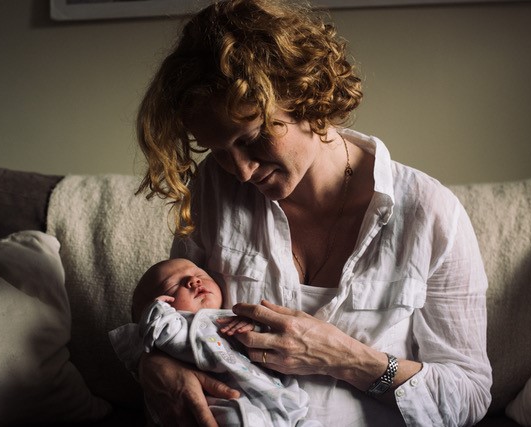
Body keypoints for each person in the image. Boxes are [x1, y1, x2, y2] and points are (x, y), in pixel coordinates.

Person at [133, 0, 492, 426]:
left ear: (305, 97)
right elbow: (171, 319)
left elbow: (468, 395)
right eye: (219, 150)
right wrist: (151, 365)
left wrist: (345, 359)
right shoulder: (214, 187)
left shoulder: (430, 214)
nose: (242, 171)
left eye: (252, 139)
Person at [109, 258, 320, 427]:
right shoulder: (178, 327)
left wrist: (252, 326)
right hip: (229, 404)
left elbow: (271, 343)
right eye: (172, 286)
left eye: (200, 274)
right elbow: (161, 333)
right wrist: (157, 314)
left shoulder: (229, 316)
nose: (193, 281)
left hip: (281, 399)